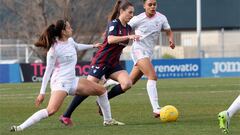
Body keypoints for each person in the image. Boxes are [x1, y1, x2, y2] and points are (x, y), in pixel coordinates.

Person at [10, 19, 124, 132]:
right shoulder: (54, 50)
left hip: (73, 81)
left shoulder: (70, 40)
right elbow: (47, 72)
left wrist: (93, 46)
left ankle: (108, 120)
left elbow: (77, 46)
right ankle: (20, 127)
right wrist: (42, 93)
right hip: (60, 83)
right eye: (69, 27)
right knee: (51, 110)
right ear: (63, 31)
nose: (71, 29)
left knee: (102, 90)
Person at [59, 0, 140, 126]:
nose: (132, 15)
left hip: (113, 64)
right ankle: (66, 115)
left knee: (127, 83)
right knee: (87, 87)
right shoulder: (114, 23)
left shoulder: (128, 28)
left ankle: (103, 99)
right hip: (101, 61)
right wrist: (128, 37)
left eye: (133, 13)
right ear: (121, 11)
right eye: (130, 12)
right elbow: (111, 39)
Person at [103, 0, 175, 118]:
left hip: (148, 53)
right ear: (144, 6)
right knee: (152, 76)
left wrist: (171, 39)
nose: (152, 7)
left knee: (129, 83)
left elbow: (168, 31)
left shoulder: (162, 18)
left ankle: (107, 91)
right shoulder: (137, 19)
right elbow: (123, 26)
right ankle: (156, 108)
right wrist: (113, 35)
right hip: (138, 50)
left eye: (154, 4)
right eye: (150, 5)